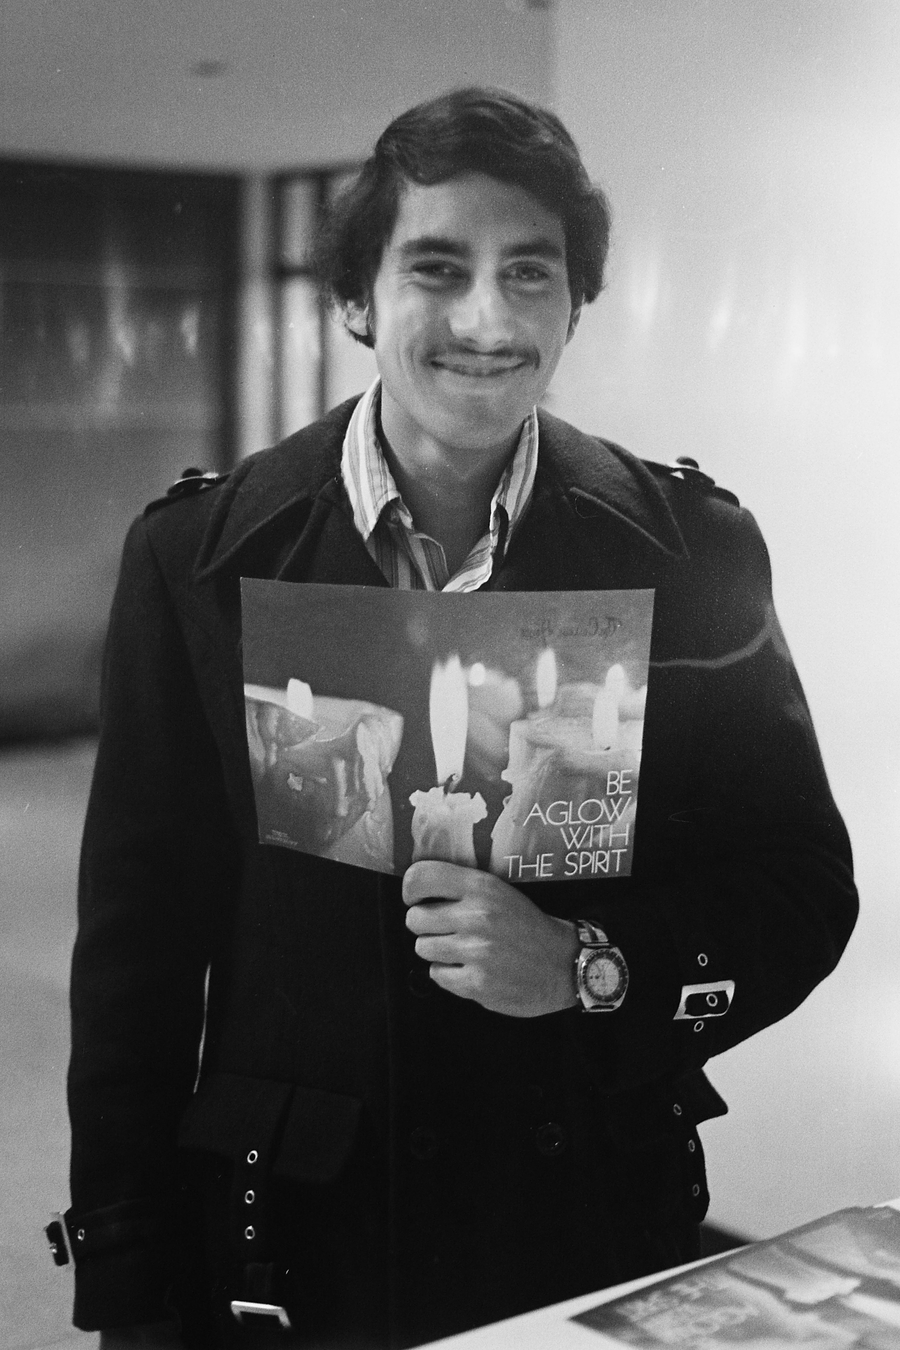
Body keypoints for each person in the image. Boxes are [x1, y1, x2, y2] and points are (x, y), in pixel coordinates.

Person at [60, 87, 857, 1349]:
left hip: (584, 1213)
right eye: (438, 269)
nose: (488, 319)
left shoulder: (692, 555)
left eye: (529, 274)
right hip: (297, 1231)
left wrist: (589, 963)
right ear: (357, 300)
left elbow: (802, 887)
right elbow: (138, 950)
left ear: (576, 304)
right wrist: (128, 1278)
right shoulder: (201, 558)